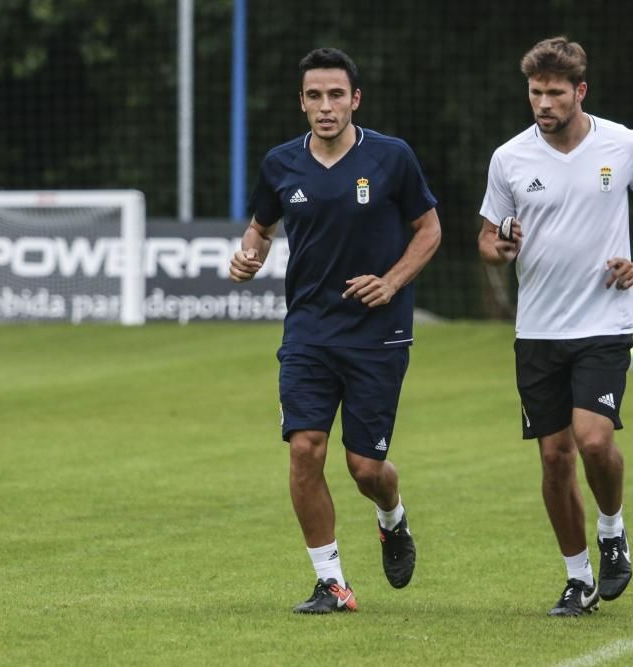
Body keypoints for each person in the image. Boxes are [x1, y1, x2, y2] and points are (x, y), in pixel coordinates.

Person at [230, 47, 441, 614]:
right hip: (309, 332)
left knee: (365, 467)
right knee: (305, 449)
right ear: (301, 102)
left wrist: (392, 282)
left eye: (336, 95)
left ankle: (391, 516)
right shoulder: (280, 164)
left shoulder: (392, 157)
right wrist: (248, 255)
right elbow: (260, 228)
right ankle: (332, 583)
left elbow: (429, 230)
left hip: (378, 332)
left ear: (355, 99)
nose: (326, 107)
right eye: (315, 96)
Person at [477, 36, 633, 617]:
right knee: (553, 458)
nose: (543, 103)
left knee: (593, 441)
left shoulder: (625, 144)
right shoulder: (509, 158)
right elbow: (487, 243)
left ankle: (612, 530)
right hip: (537, 331)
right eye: (536, 92)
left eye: (555, 93)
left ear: (579, 92)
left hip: (603, 322)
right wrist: (502, 247)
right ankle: (577, 579)